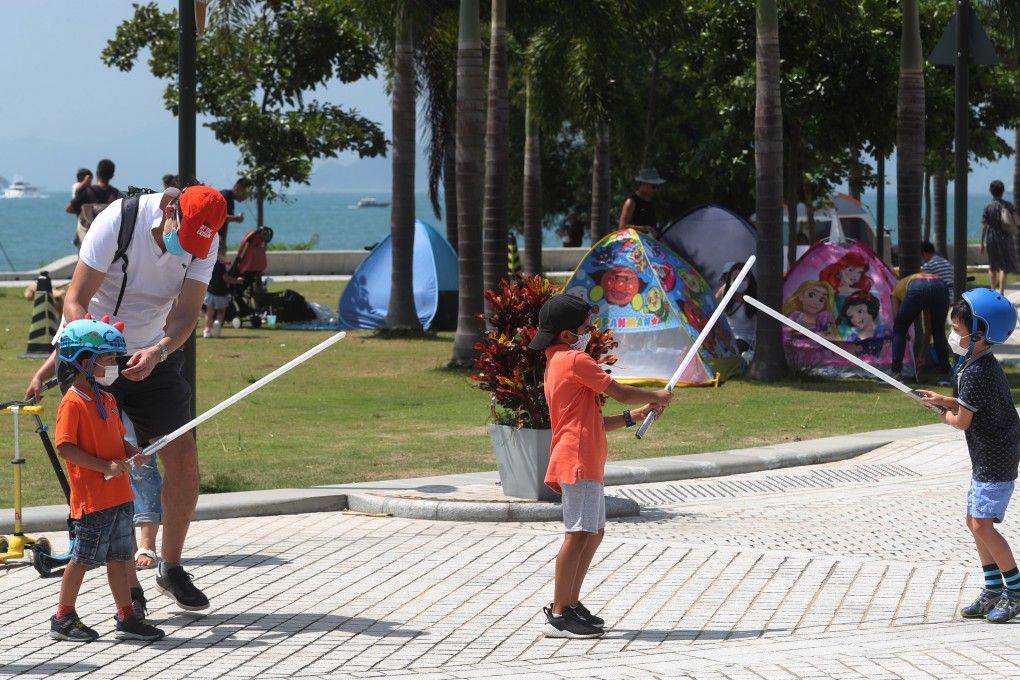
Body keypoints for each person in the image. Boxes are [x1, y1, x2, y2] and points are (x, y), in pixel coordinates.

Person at [27, 184, 227, 613]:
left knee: (183, 456)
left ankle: (170, 567)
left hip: (154, 351)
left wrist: (159, 351)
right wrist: (103, 354)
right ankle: (127, 591)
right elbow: (75, 301)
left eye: (198, 243)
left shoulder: (204, 240)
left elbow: (189, 312)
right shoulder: (119, 220)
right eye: (184, 235)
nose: (186, 249)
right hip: (92, 353)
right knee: (109, 463)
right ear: (171, 209)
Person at [528, 294, 673, 638]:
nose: (589, 333)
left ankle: (572, 605)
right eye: (584, 328)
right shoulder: (574, 359)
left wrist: (634, 416)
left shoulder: (559, 361)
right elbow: (621, 391)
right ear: (566, 335)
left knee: (593, 533)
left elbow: (593, 421)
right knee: (578, 534)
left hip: (585, 459)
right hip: (577, 461)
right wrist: (659, 395)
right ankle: (560, 614)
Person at [49, 317, 165, 643]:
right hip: (92, 500)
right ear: (86, 362)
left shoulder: (108, 399)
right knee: (83, 559)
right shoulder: (73, 402)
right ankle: (63, 616)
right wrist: (103, 466)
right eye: (110, 360)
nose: (116, 366)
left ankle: (127, 616)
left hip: (119, 496)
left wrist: (134, 451)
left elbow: (118, 441)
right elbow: (65, 447)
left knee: (120, 557)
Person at [918, 289, 1020, 623]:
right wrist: (944, 399)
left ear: (981, 334)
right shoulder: (977, 362)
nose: (953, 336)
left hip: (995, 457)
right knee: (974, 523)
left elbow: (962, 421)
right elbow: (966, 404)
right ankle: (992, 588)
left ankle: (1015, 592)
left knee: (982, 525)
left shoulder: (977, 372)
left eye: (958, 331)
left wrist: (939, 412)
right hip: (990, 456)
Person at [889, 272, 952, 386]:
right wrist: (922, 355)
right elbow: (928, 329)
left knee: (899, 329)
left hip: (917, 285)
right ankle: (945, 375)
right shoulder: (908, 283)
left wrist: (904, 333)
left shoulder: (895, 292)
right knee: (938, 331)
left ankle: (896, 373)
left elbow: (896, 319)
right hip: (940, 285)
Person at [67, 159, 122, 249]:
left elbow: (68, 208)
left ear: (97, 173)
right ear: (112, 175)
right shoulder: (116, 194)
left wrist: (82, 211)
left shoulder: (87, 192)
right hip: (109, 239)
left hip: (87, 240)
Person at [981, 180, 1020, 295]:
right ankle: (1001, 292)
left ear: (991, 192)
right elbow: (1017, 220)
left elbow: (984, 226)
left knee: (992, 265)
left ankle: (993, 290)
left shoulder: (987, 206)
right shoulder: (1008, 205)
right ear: (1003, 192)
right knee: (1004, 266)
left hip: (992, 236)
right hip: (1006, 237)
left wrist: (982, 242)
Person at [202, 241, 244, 338]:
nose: (224, 255)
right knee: (221, 311)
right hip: (221, 293)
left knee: (209, 312)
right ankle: (218, 324)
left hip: (210, 292)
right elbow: (226, 278)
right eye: (223, 253)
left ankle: (207, 330)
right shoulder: (221, 266)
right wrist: (237, 281)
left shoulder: (210, 263)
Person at [714, 261, 756, 355]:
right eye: (735, 279)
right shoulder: (724, 291)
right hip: (726, 338)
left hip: (745, 342)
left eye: (742, 278)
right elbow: (714, 308)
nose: (739, 282)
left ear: (749, 279)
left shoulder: (756, 296)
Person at [619, 168, 665, 237]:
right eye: (653, 187)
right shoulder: (631, 202)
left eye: (657, 187)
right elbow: (622, 227)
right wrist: (644, 229)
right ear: (643, 184)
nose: (655, 190)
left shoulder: (650, 203)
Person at [217, 178, 250, 246]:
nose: (246, 197)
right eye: (245, 194)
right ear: (238, 188)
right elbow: (219, 216)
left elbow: (225, 223)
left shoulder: (230, 200)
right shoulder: (224, 196)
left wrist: (223, 243)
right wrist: (236, 219)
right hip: (211, 237)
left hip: (217, 240)